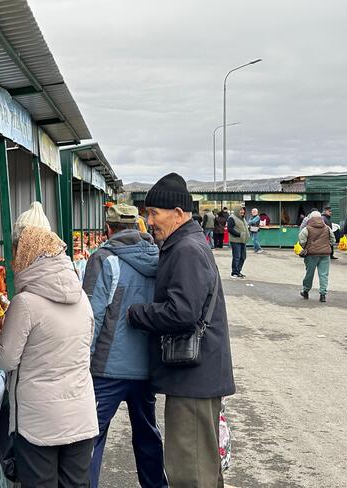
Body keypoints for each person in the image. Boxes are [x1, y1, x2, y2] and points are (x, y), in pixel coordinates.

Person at [127, 172, 235, 488]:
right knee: (202, 468)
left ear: (177, 213)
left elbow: (183, 312)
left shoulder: (186, 248)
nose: (149, 221)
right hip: (197, 377)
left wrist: (138, 314)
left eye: (153, 213)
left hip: (194, 381)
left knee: (191, 471)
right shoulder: (187, 242)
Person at [0, 216, 97, 488]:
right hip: (81, 414)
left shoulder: (25, 303)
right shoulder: (81, 297)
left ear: (27, 257)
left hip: (39, 423)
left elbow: (5, 360)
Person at [82, 204, 167, 488]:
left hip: (108, 369)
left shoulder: (103, 259)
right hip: (146, 367)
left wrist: (83, 362)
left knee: (90, 437)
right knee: (147, 435)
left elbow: (91, 317)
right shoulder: (158, 258)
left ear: (109, 228)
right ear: (139, 227)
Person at [298, 211, 336, 303]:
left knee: (309, 273)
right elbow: (333, 240)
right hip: (325, 254)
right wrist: (326, 245)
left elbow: (301, 240)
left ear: (310, 218)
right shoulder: (327, 228)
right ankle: (323, 294)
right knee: (323, 274)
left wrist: (306, 247)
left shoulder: (307, 228)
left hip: (311, 255)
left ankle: (305, 291)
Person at [227, 206, 250, 278]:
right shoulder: (232, 218)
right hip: (235, 240)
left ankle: (238, 271)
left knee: (243, 257)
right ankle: (234, 272)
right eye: (241, 210)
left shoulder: (243, 218)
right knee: (237, 256)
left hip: (243, 240)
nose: (242, 212)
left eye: (243, 210)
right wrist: (239, 234)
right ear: (237, 210)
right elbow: (230, 229)